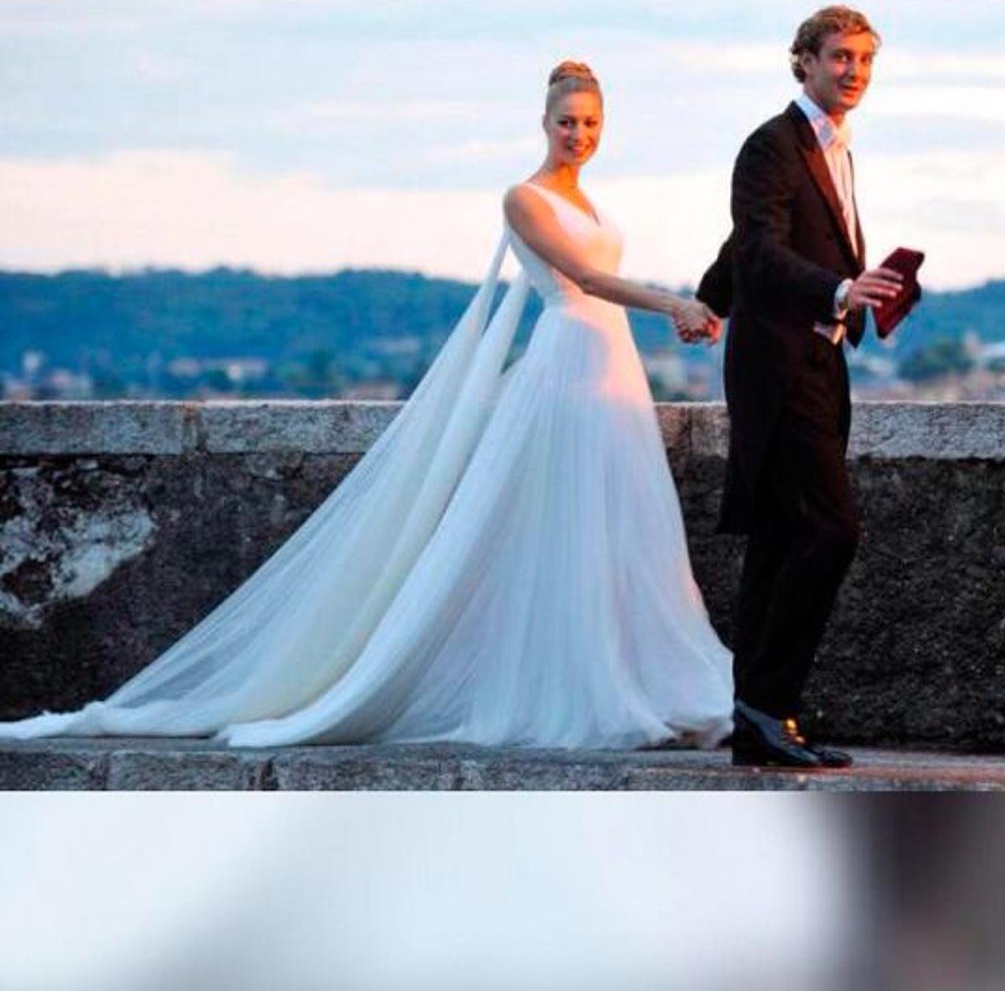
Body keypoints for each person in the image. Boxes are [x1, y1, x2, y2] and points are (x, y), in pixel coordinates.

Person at [0, 61, 733, 751]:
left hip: (611, 370)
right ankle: (587, 692)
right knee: (570, 527)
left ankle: (629, 675)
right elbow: (582, 278)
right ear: (543, 122)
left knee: (621, 530)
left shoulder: (588, 200)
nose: (580, 135)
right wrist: (672, 303)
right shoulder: (525, 198)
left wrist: (686, 309)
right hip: (568, 355)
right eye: (568, 122)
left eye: (592, 124)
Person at [696, 6, 904, 769]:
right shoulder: (770, 143)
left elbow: (742, 248)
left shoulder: (833, 148)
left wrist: (709, 299)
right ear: (804, 62)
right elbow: (759, 248)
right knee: (830, 530)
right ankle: (767, 702)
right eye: (840, 57)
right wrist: (841, 291)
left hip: (821, 361)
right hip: (779, 368)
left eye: (864, 60)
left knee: (785, 538)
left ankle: (759, 719)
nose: (853, 72)